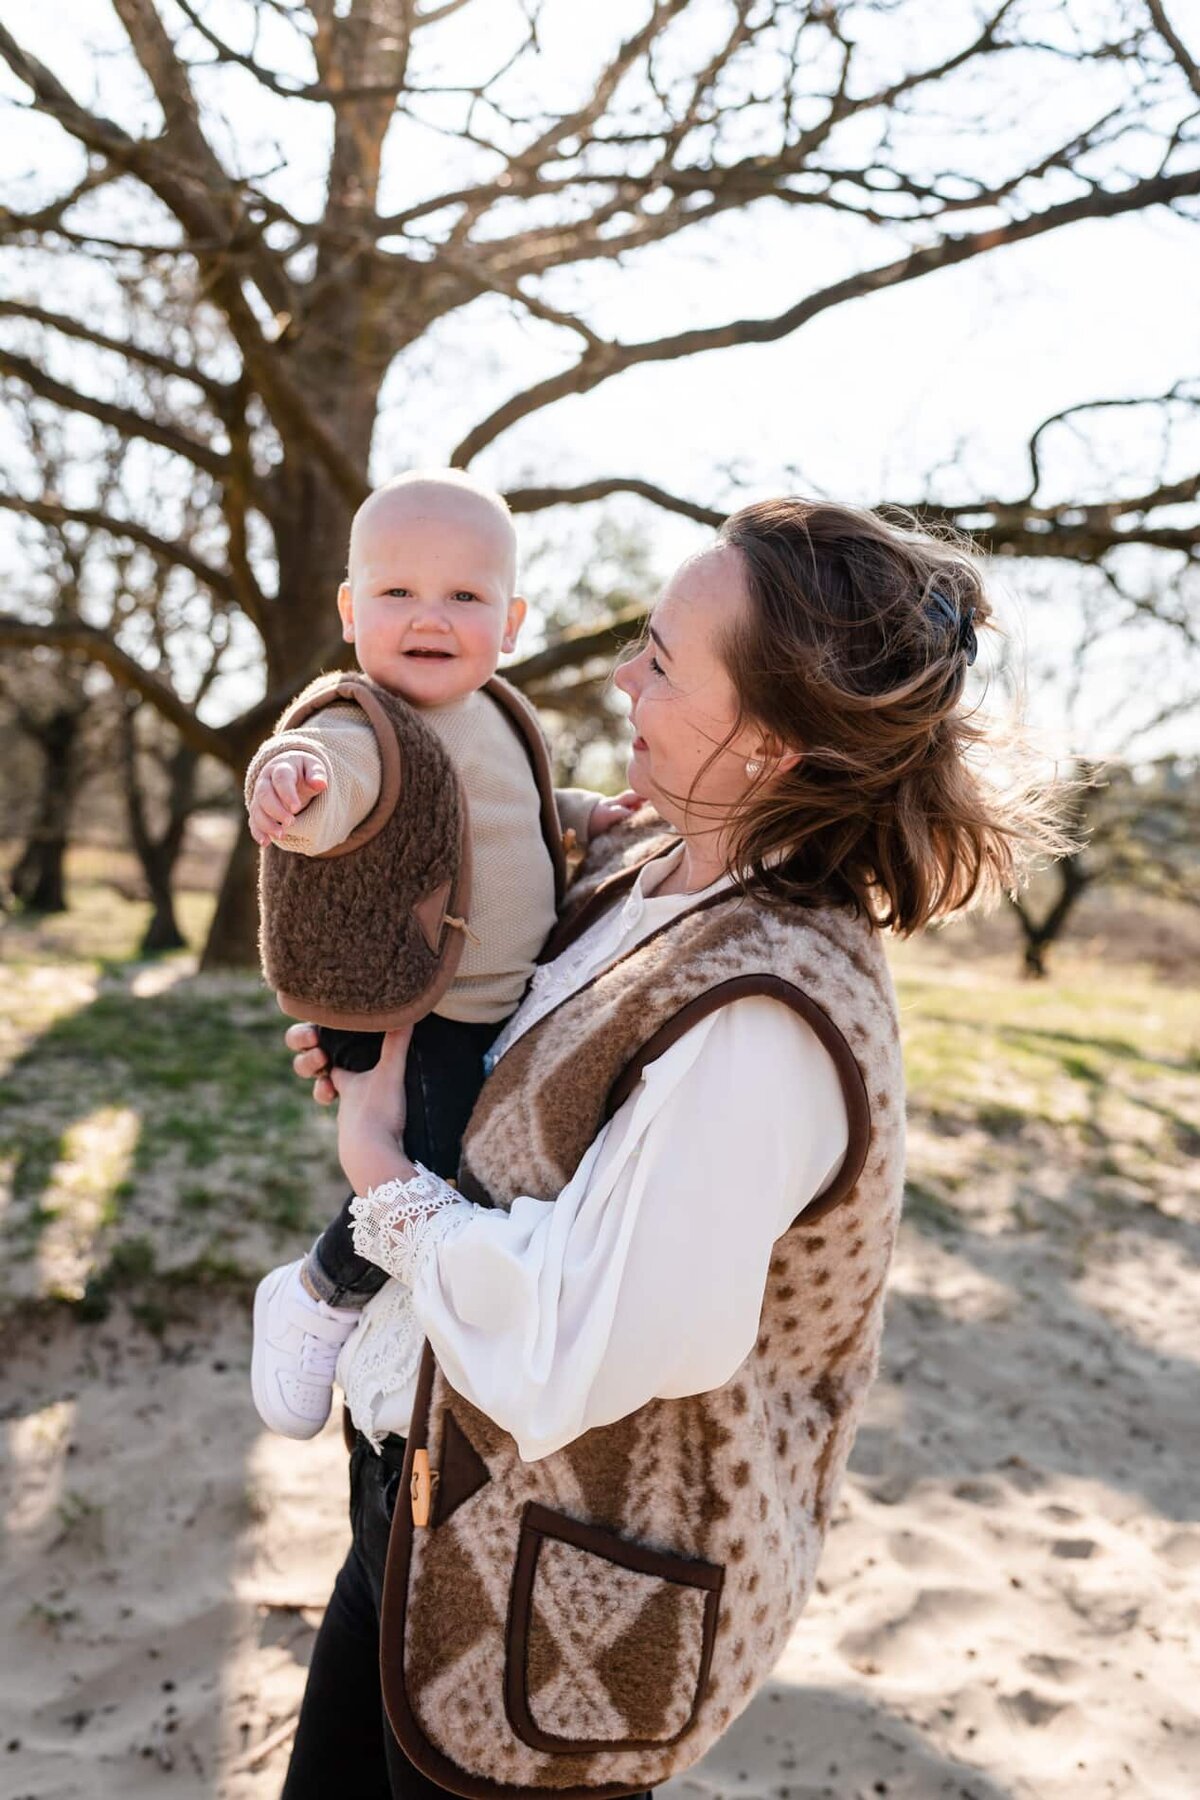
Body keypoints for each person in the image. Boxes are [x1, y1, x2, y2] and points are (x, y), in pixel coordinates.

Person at [277, 498, 1063, 1800]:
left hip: (553, 1629)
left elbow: (568, 1348)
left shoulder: (766, 1024)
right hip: (419, 1515)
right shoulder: (649, 860)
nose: (619, 680)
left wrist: (379, 1164)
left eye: (658, 659)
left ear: (767, 741)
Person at [244, 470, 637, 1443]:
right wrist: (295, 784)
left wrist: (589, 817)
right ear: (350, 611)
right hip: (420, 1004)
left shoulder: (499, 711)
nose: (430, 616)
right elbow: (331, 774)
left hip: (496, 1002)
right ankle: (318, 1294)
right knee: (425, 1164)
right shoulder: (367, 721)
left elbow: (522, 820)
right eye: (397, 592)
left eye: (464, 596)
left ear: (510, 620)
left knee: (468, 1160)